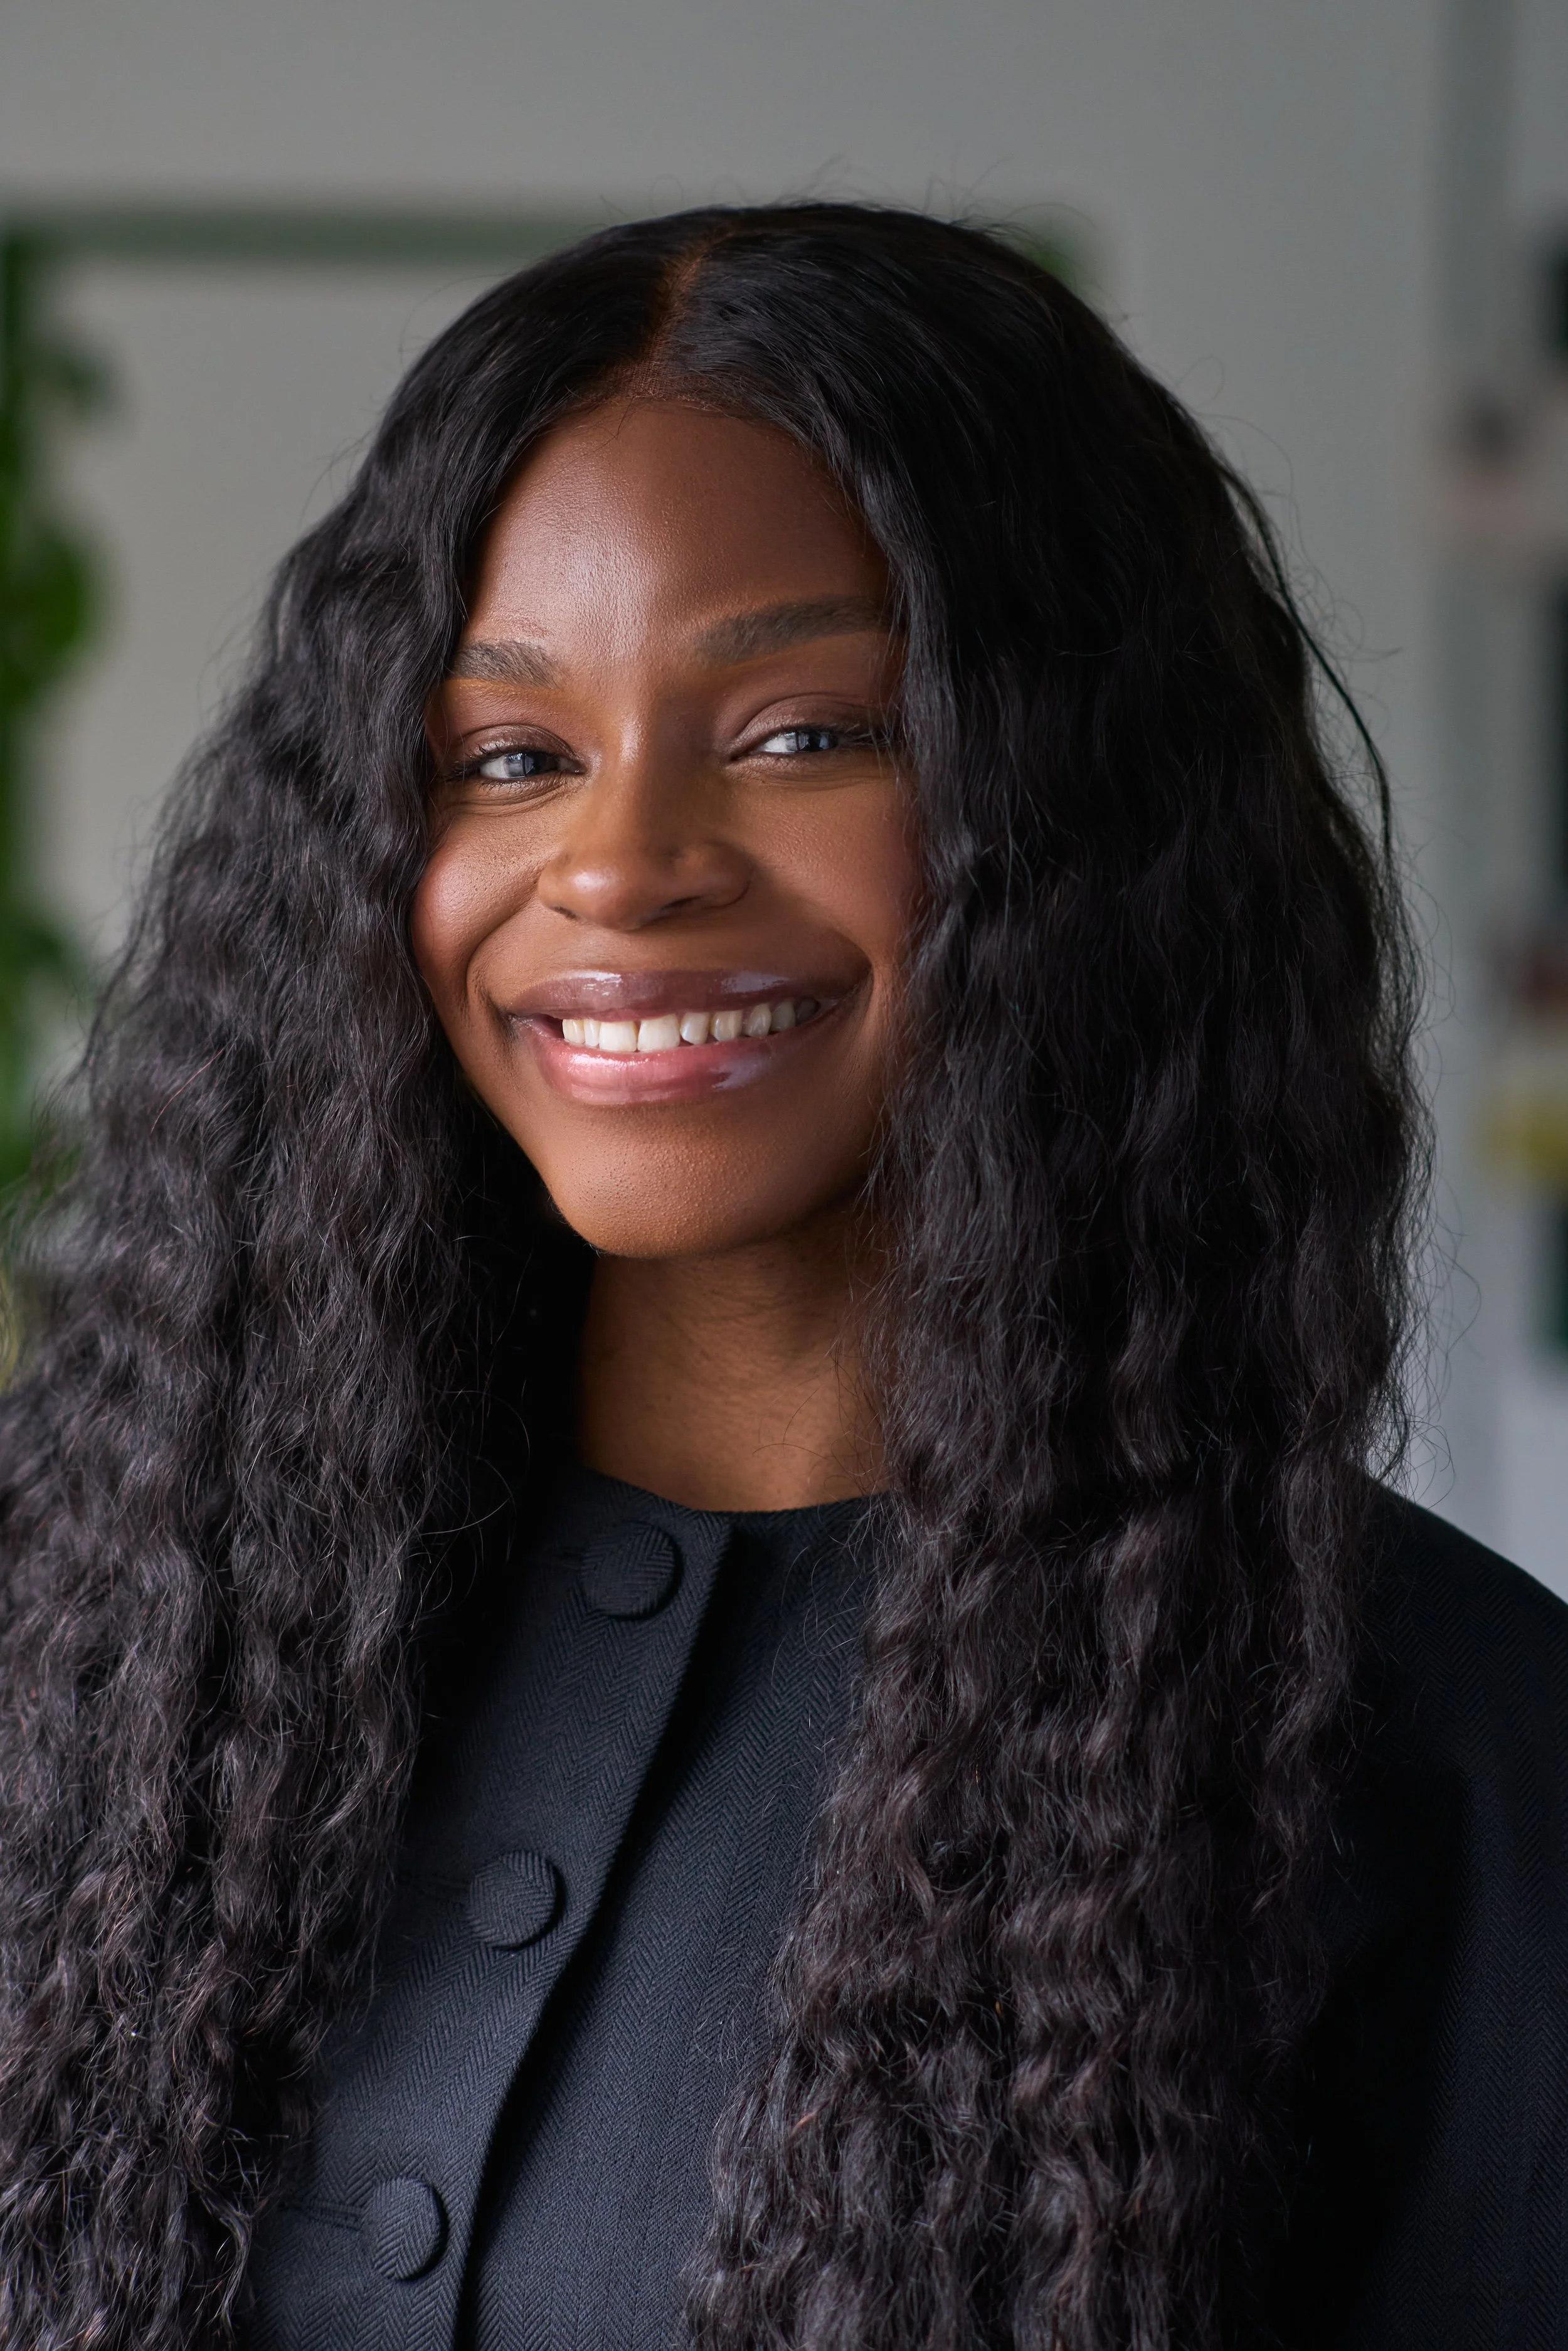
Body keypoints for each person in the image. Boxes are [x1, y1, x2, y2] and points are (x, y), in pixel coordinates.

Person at [1, 202, 1564, 2351]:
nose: (621, 860)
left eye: (805, 730)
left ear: (1079, 809)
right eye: (507, 756)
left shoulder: (1463, 1773)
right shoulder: (77, 1612)